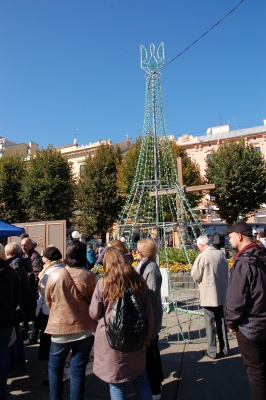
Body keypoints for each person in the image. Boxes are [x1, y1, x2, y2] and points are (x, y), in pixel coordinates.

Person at [89, 246, 154, 400]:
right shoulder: (138, 281)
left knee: (116, 383)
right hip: (137, 335)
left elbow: (94, 313)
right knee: (141, 378)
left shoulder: (104, 283)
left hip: (112, 339)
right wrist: (148, 336)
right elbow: (148, 312)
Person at [45, 240, 96, 400]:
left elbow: (49, 301)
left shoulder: (54, 275)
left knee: (55, 369)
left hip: (59, 329)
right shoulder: (89, 276)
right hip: (84, 328)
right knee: (78, 371)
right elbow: (95, 303)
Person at [225, 221, 266, 400]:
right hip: (262, 320)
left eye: (231, 236)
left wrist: (231, 322)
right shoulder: (261, 257)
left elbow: (236, 298)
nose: (229, 239)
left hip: (250, 325)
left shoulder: (243, 263)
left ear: (239, 236)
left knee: (256, 373)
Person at [191, 235, 229, 360]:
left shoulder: (203, 256)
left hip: (208, 295)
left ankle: (212, 350)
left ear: (201, 245)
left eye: (198, 246)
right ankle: (225, 349)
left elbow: (195, 275)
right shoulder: (220, 254)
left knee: (209, 323)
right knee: (222, 322)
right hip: (222, 293)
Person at [136, 238, 163, 400]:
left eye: (138, 250)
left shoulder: (151, 269)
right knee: (151, 352)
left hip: (150, 317)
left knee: (151, 353)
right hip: (146, 316)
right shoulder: (144, 265)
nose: (135, 252)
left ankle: (155, 390)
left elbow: (151, 296)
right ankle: (156, 382)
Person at [5, 242, 36, 376]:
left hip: (17, 305)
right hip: (20, 304)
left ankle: (18, 363)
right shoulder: (20, 263)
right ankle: (18, 362)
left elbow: (14, 288)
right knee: (15, 336)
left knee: (15, 338)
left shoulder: (14, 265)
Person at [36, 246, 64, 363]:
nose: (42, 259)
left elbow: (43, 291)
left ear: (48, 258)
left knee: (48, 338)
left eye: (44, 257)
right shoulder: (65, 268)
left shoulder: (48, 272)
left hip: (48, 309)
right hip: (61, 309)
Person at [0, 243, 20, 400]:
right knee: (3, 353)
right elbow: (15, 295)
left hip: (6, 317)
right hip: (6, 318)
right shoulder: (11, 272)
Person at [21, 237, 43, 345]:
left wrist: (26, 276)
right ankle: (24, 334)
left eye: (25, 245)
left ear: (31, 245)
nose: (23, 247)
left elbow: (37, 274)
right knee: (25, 313)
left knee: (35, 314)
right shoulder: (23, 255)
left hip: (32, 290)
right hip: (25, 290)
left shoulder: (35, 256)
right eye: (22, 245)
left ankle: (33, 336)